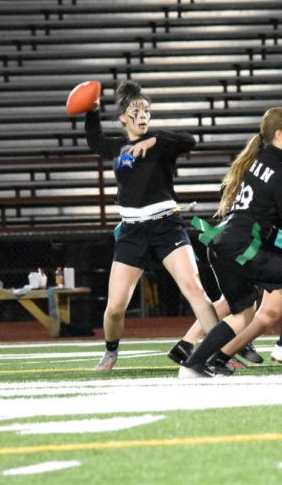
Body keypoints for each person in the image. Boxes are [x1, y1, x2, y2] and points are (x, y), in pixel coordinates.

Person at [85, 80, 219, 371]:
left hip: (167, 226)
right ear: (122, 117)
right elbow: (95, 140)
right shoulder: (118, 147)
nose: (143, 115)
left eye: (147, 110)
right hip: (132, 231)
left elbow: (190, 140)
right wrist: (91, 110)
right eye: (136, 110)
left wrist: (153, 141)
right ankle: (111, 351)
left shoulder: (160, 144)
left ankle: (218, 353)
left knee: (195, 289)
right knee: (115, 308)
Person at [178, 106, 282, 377]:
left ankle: (193, 364)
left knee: (243, 313)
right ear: (278, 135)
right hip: (243, 243)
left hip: (223, 240)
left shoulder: (258, 159)